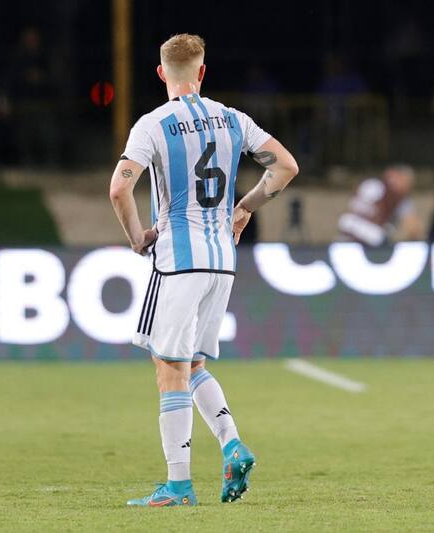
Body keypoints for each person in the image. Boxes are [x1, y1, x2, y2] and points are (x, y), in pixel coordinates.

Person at [109, 34, 298, 507]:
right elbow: (286, 167)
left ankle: (178, 486)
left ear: (160, 74)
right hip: (222, 262)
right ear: (202, 72)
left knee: (168, 368)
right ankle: (232, 443)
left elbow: (119, 189)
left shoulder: (153, 125)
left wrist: (137, 238)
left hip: (178, 259)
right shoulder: (234, 119)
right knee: (193, 364)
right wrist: (246, 206)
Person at [337, 164, 422, 246]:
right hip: (357, 230)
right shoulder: (373, 186)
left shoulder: (403, 200)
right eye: (402, 179)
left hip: (374, 236)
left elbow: (413, 228)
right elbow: (357, 213)